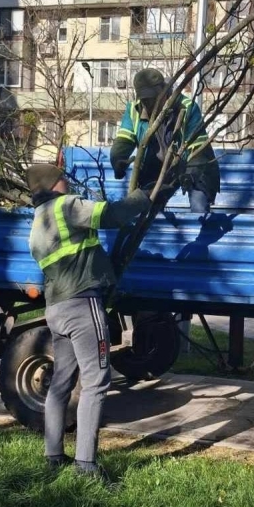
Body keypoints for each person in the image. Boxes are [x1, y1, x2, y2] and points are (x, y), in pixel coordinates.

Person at [26, 163, 151, 477]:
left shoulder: (38, 221)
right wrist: (144, 196)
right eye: (61, 179)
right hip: (82, 304)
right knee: (96, 382)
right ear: (52, 185)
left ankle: (54, 457)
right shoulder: (66, 207)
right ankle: (86, 466)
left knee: (60, 383)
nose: (66, 182)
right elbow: (111, 215)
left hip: (56, 308)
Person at [110, 68, 220, 213]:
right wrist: (118, 160)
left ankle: (200, 224)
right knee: (146, 208)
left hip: (194, 165)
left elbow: (199, 149)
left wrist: (190, 174)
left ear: (164, 91)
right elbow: (123, 140)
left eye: (153, 97)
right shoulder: (134, 110)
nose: (149, 103)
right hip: (157, 169)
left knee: (199, 206)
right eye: (145, 99)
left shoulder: (187, 107)